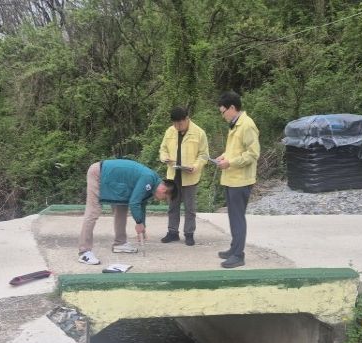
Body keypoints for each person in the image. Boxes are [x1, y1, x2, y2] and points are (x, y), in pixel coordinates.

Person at [78, 158, 175, 265]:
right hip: (99, 173)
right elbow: (134, 203)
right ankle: (84, 252)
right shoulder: (149, 178)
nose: (162, 200)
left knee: (121, 208)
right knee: (93, 211)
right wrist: (138, 223)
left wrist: (142, 225)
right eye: (165, 198)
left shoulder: (153, 183)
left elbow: (141, 204)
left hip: (115, 179)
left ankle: (120, 243)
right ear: (163, 190)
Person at [214, 92, 260, 268]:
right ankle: (234, 248)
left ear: (232, 108)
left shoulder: (247, 125)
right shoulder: (235, 125)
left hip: (241, 180)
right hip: (231, 178)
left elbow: (253, 154)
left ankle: (238, 255)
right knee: (233, 216)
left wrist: (230, 162)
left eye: (223, 111)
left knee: (238, 217)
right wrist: (223, 156)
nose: (222, 115)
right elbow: (235, 150)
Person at [159, 106, 210, 246]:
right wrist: (165, 158)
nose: (177, 126)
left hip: (190, 176)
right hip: (173, 175)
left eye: (180, 123)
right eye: (174, 123)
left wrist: (196, 166)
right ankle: (172, 232)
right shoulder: (170, 131)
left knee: (190, 208)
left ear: (187, 119)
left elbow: (204, 155)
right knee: (172, 206)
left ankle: (189, 234)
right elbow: (163, 149)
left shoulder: (199, 133)